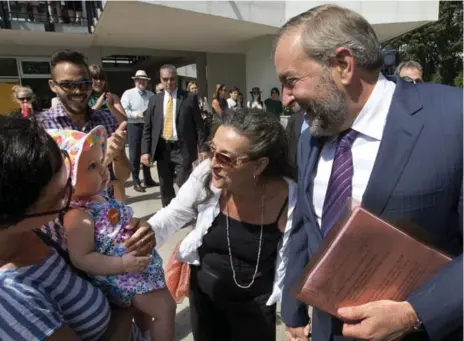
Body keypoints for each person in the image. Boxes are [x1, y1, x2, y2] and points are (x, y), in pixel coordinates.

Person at [274, 4, 462, 341]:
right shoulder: (310, 133)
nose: (286, 99)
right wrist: (293, 306)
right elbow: (305, 222)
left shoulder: (453, 120)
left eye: (291, 81)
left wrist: (414, 313)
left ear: (343, 65)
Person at [148, 108, 298, 341]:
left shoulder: (288, 197)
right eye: (212, 150)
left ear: (259, 165)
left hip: (254, 308)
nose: (213, 162)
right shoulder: (207, 174)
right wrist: (144, 234)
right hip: (204, 296)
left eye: (225, 158)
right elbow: (174, 213)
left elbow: (293, 261)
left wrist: (294, 315)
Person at [0, 116, 153, 341]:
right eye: (62, 197)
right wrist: (127, 305)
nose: (74, 200)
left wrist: (136, 231)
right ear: (14, 215)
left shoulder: (45, 227)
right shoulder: (9, 297)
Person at [48, 126, 175, 341]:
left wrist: (133, 223)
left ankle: (145, 335)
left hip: (134, 268)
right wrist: (123, 265)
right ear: (67, 179)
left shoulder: (97, 196)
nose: (103, 169)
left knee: (144, 315)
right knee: (165, 308)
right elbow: (82, 258)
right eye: (92, 166)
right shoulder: (78, 215)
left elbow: (115, 217)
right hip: (123, 275)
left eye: (100, 162)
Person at [37, 49, 131, 202]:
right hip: (60, 218)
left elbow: (123, 176)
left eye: (84, 83)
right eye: (68, 84)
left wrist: (118, 153)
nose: (78, 91)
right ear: (53, 85)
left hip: (104, 214)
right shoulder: (41, 127)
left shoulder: (106, 120)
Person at [141, 64, 208, 207]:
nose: (169, 83)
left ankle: (190, 211)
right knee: (165, 185)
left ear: (176, 79)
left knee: (184, 182)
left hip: (182, 148)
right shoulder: (155, 100)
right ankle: (169, 214)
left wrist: (203, 148)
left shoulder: (189, 98)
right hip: (163, 149)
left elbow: (199, 126)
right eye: (165, 79)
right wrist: (145, 151)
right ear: (161, 79)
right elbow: (148, 128)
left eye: (172, 79)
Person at [88, 63, 128, 201]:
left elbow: (123, 120)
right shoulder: (84, 97)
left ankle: (122, 214)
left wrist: (110, 106)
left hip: (112, 144)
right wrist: (98, 104)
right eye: (95, 78)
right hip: (92, 146)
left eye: (101, 78)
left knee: (116, 181)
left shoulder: (112, 96)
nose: (98, 82)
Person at [121, 70, 159, 193]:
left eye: (144, 80)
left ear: (147, 82)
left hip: (147, 127)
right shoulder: (128, 94)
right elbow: (123, 110)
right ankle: (136, 181)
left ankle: (148, 179)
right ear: (135, 81)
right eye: (139, 80)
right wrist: (136, 115)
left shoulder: (151, 95)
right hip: (134, 126)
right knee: (135, 154)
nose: (141, 82)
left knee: (147, 152)